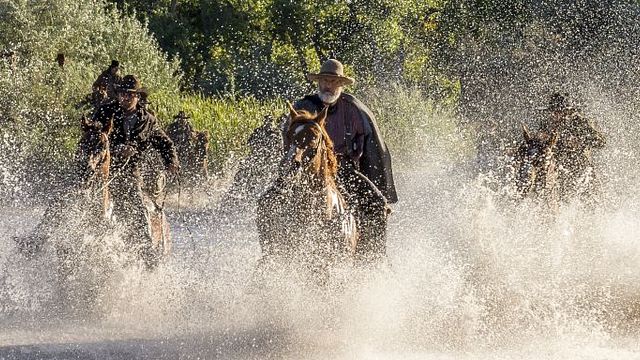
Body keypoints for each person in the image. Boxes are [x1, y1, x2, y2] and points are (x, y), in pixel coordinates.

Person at [289, 59, 397, 262]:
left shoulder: (355, 109)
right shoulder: (304, 106)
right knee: (270, 202)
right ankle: (273, 257)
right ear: (318, 82)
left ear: (340, 84)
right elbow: (290, 137)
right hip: (307, 168)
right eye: (324, 81)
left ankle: (375, 258)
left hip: (344, 168)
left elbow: (371, 145)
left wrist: (372, 176)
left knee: (376, 204)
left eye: (333, 81)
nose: (328, 85)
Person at [93, 75, 179, 267]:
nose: (125, 97)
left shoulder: (147, 120)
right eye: (122, 93)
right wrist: (114, 149)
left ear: (137, 97)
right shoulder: (106, 111)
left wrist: (171, 162)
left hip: (128, 170)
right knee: (67, 193)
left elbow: (165, 143)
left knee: (135, 203)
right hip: (99, 165)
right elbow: (94, 133)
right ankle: (38, 238)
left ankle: (146, 253)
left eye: (130, 95)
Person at [539, 92, 606, 203]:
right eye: (552, 111)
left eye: (558, 112)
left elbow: (601, 141)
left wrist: (580, 140)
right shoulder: (547, 124)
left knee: (588, 202)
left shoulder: (580, 122)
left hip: (581, 169)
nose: (554, 115)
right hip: (556, 169)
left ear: (567, 112)